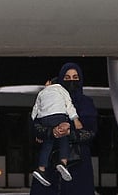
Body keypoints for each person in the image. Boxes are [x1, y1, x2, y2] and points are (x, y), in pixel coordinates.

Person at [29, 63, 98, 195]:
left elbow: (91, 131)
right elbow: (34, 125)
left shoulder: (86, 104)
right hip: (50, 162)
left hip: (79, 165)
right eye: (67, 78)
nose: (71, 81)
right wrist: (51, 132)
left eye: (75, 77)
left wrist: (69, 133)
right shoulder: (48, 100)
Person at [31, 80, 83, 186]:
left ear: (49, 83)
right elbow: (69, 105)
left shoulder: (41, 93)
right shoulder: (61, 90)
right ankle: (63, 162)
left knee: (47, 143)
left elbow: (35, 109)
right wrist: (75, 119)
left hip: (44, 119)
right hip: (59, 116)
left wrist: (37, 132)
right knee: (64, 138)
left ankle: (41, 168)